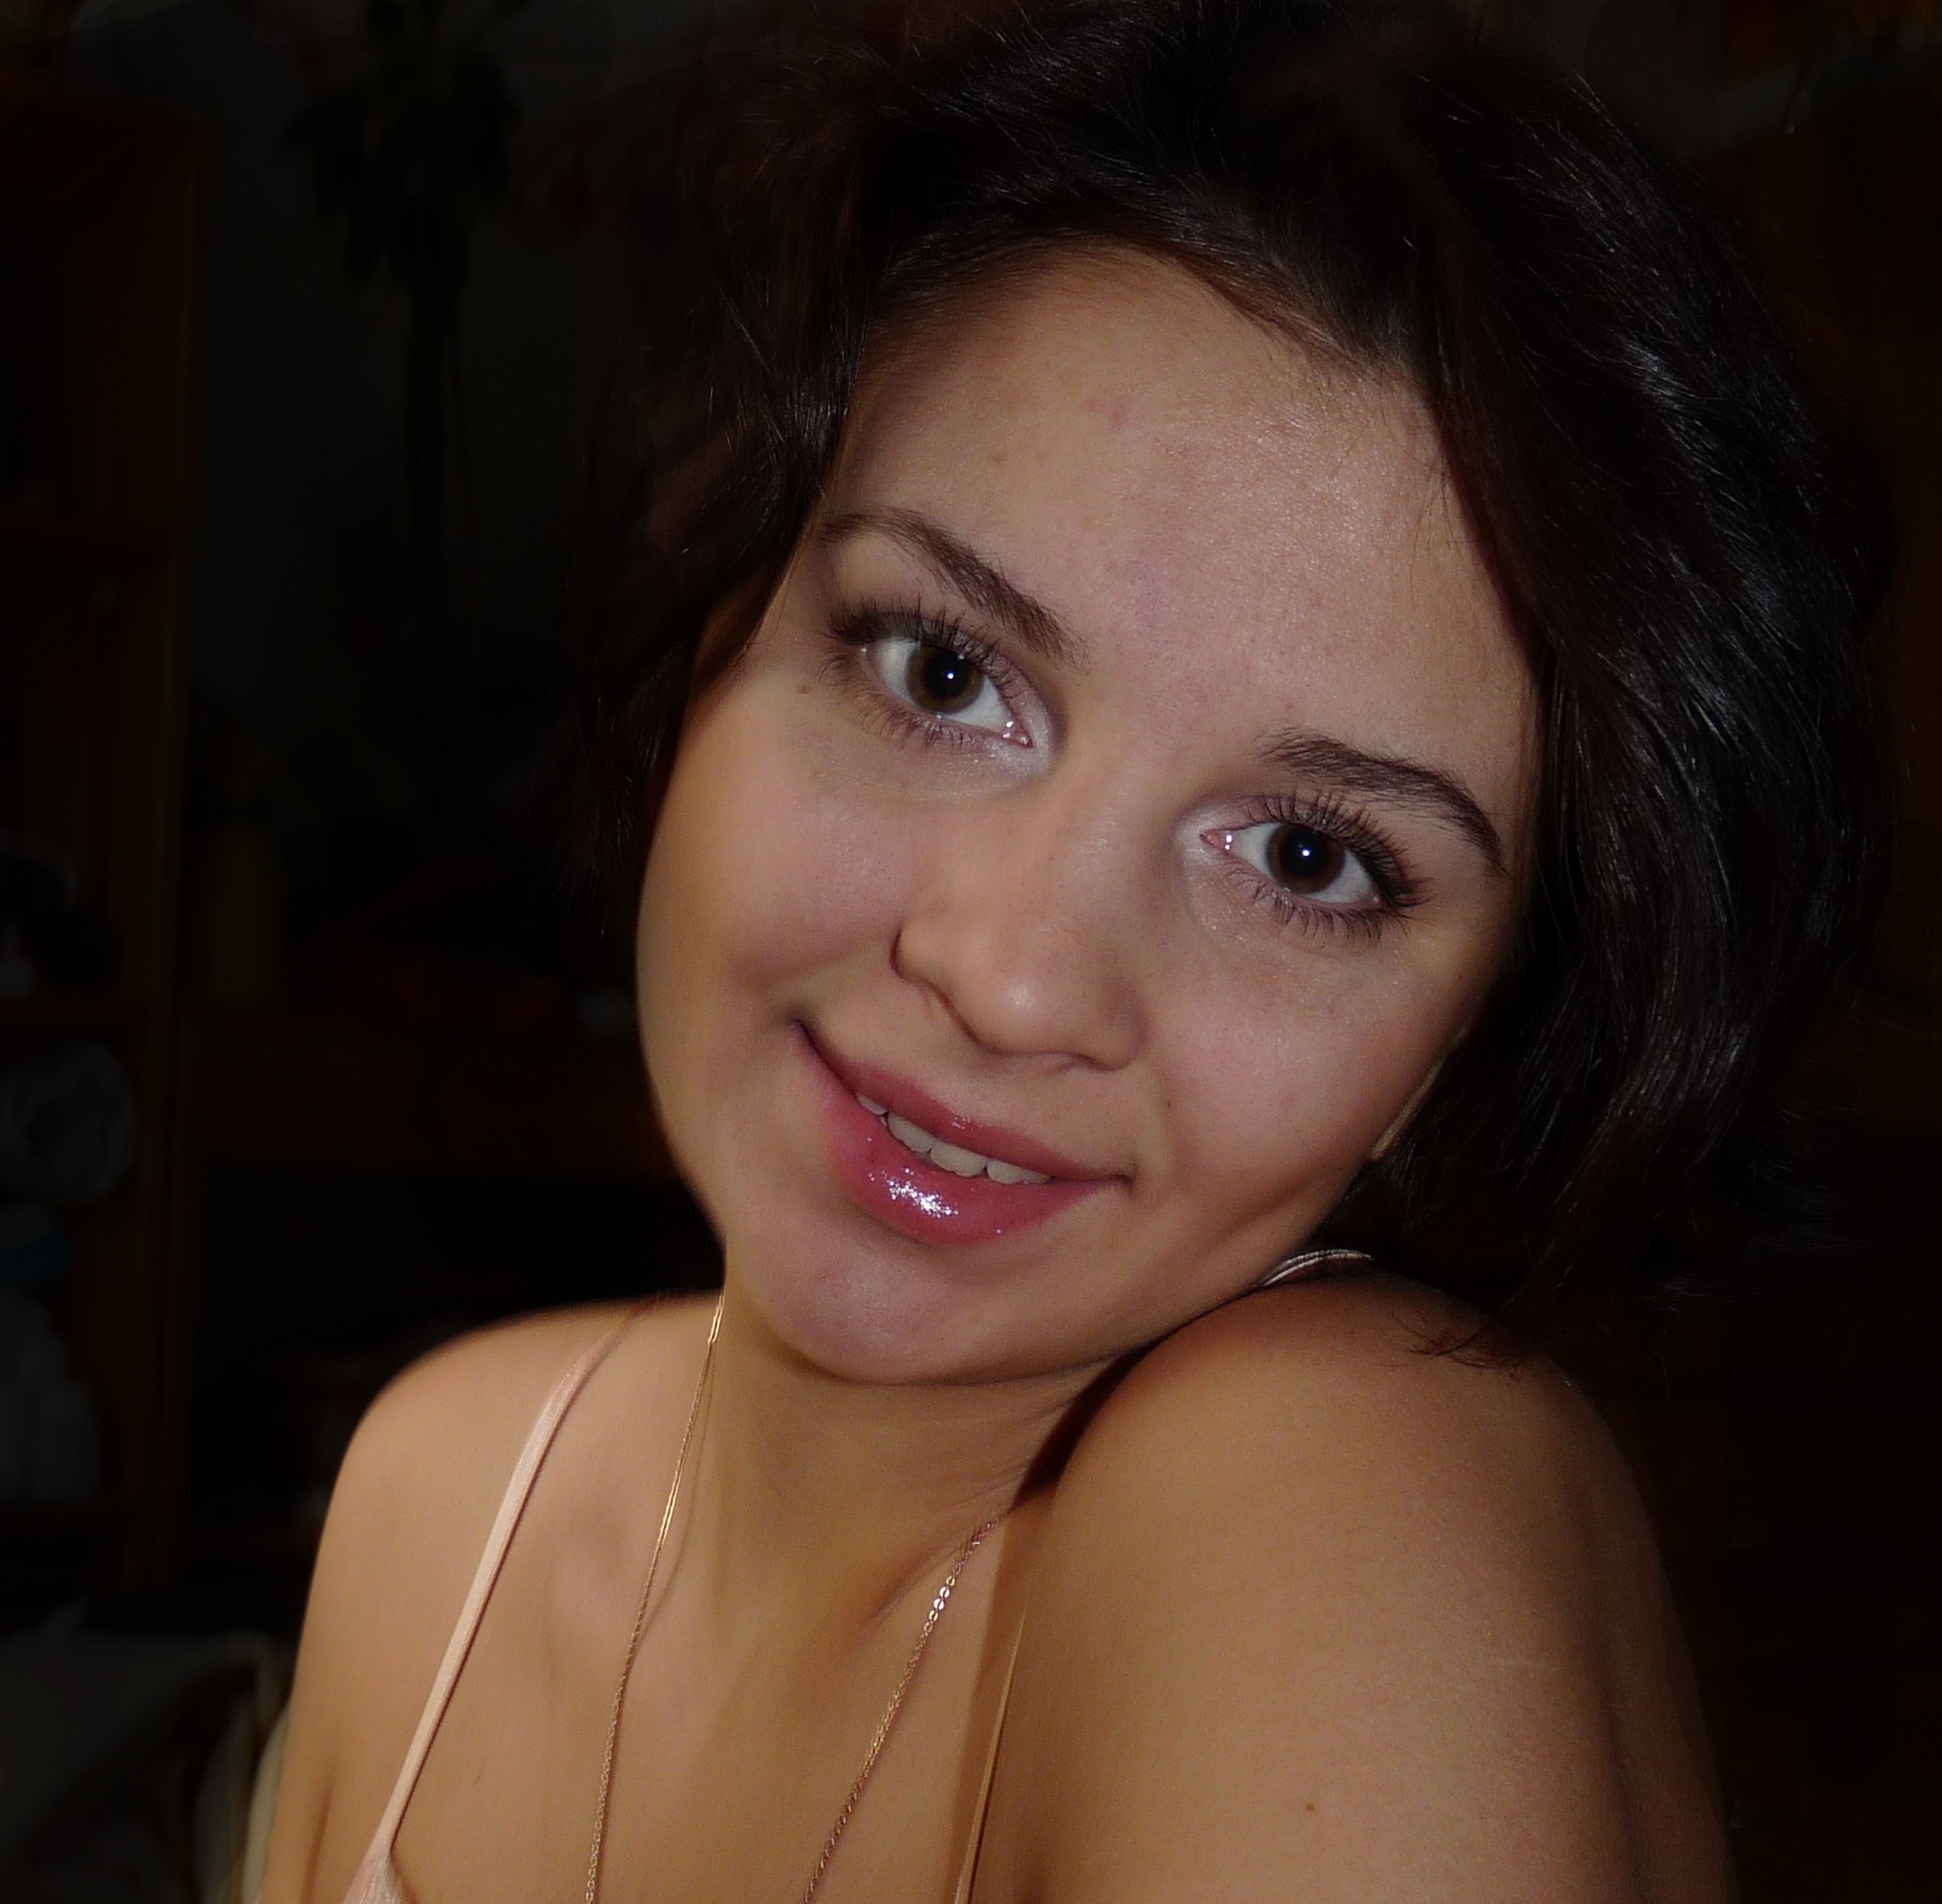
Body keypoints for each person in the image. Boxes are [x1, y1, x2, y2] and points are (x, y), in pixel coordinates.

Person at [258, 2, 1885, 1899]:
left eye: (1306, 858)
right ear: (724, 617)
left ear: (1466, 1036)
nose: (1010, 977)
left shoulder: (1340, 1490)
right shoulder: (439, 1494)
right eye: (943, 672)